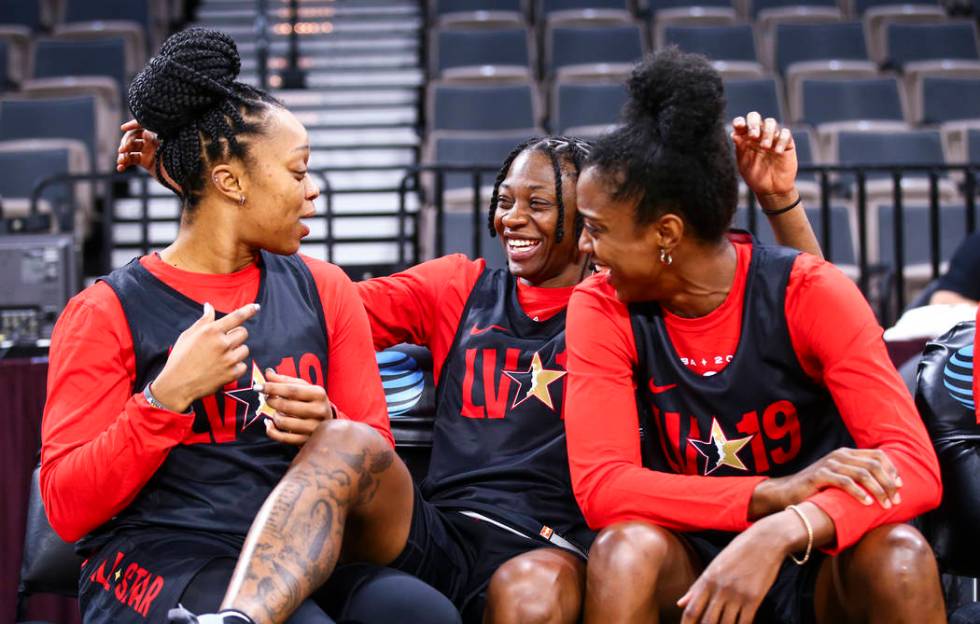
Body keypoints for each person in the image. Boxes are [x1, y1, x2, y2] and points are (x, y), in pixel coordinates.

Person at [146, 105, 828, 624]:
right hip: (440, 528)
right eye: (505, 200)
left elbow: (805, 293)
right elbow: (317, 305)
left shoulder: (633, 297)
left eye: (538, 204)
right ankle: (236, 617)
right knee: (347, 441)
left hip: (554, 538)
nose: (514, 219)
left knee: (530, 593)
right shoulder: (457, 284)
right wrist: (202, 198)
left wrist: (779, 201)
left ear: (588, 221)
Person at [41, 28, 457, 623]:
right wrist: (166, 398)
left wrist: (329, 424)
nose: (313, 192)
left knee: (422, 614)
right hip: (161, 552)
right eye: (297, 171)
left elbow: (375, 457)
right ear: (232, 183)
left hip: (300, 546)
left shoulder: (326, 288)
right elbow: (65, 507)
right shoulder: (104, 311)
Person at [563, 48, 946, 624]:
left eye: (596, 229)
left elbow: (915, 467)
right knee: (624, 552)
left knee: (899, 556)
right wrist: (773, 494)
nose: (583, 248)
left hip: (822, 549)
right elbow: (603, 487)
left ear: (666, 233)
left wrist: (785, 528)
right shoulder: (599, 304)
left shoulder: (809, 290)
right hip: (692, 552)